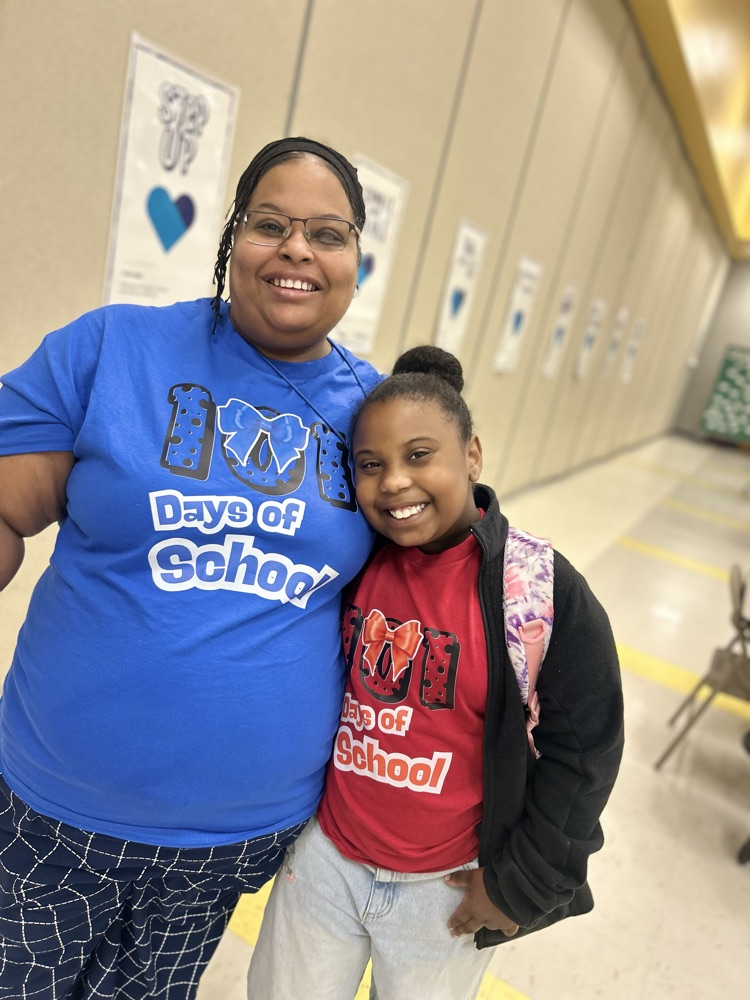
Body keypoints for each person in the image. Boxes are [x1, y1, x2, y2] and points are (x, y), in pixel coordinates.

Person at [0, 136, 384, 999]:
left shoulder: (378, 415)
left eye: (327, 234)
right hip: (52, 816)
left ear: (356, 261)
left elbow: (437, 589)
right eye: (270, 224)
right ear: (232, 237)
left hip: (232, 840)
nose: (296, 249)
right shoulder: (111, 349)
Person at [247, 346, 625, 1000]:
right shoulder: (353, 559)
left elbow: (587, 750)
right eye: (371, 464)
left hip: (446, 889)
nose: (394, 482)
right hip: (326, 864)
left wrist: (519, 886)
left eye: (419, 455)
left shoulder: (537, 590)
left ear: (471, 454)